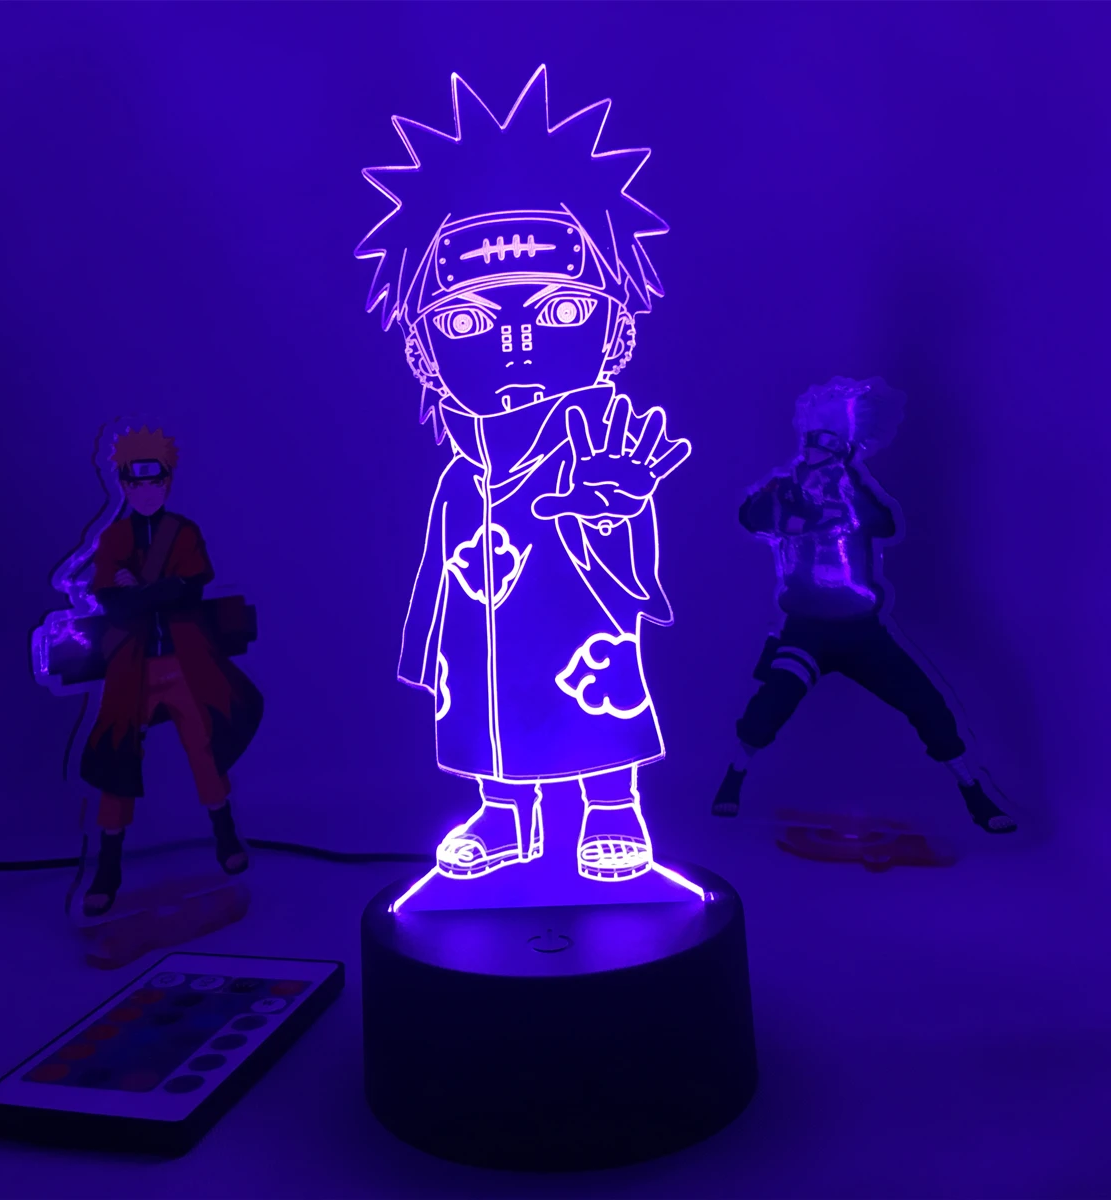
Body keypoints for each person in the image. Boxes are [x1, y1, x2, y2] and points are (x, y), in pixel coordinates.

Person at [356, 67, 692, 883]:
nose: (516, 347)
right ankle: (502, 812)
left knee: (594, 702)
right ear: (423, 353)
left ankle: (611, 804)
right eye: (468, 321)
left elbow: (630, 574)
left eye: (561, 311)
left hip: (579, 639)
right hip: (478, 638)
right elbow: (434, 572)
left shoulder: (599, 448)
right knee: (480, 704)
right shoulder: (457, 477)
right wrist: (423, 653)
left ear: (617, 332)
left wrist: (610, 512)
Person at [712, 377, 1016, 834]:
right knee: (771, 704)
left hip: (862, 630)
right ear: (806, 443)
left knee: (926, 703)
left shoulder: (853, 491)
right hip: (806, 629)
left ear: (845, 452)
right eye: (817, 443)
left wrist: (850, 491)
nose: (822, 455)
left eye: (834, 447)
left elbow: (887, 524)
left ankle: (973, 790)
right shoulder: (782, 489)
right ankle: (734, 776)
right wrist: (792, 502)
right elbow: (751, 518)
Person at [78, 426, 264, 915]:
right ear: (123, 483)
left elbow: (190, 588)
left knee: (205, 749)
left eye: (154, 481)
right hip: (132, 669)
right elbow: (116, 604)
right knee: (117, 758)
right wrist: (155, 590)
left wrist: (139, 588)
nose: (145, 491)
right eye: (135, 482)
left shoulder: (184, 532)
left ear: (168, 481)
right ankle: (108, 867)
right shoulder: (114, 537)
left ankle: (226, 836)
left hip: (184, 662)